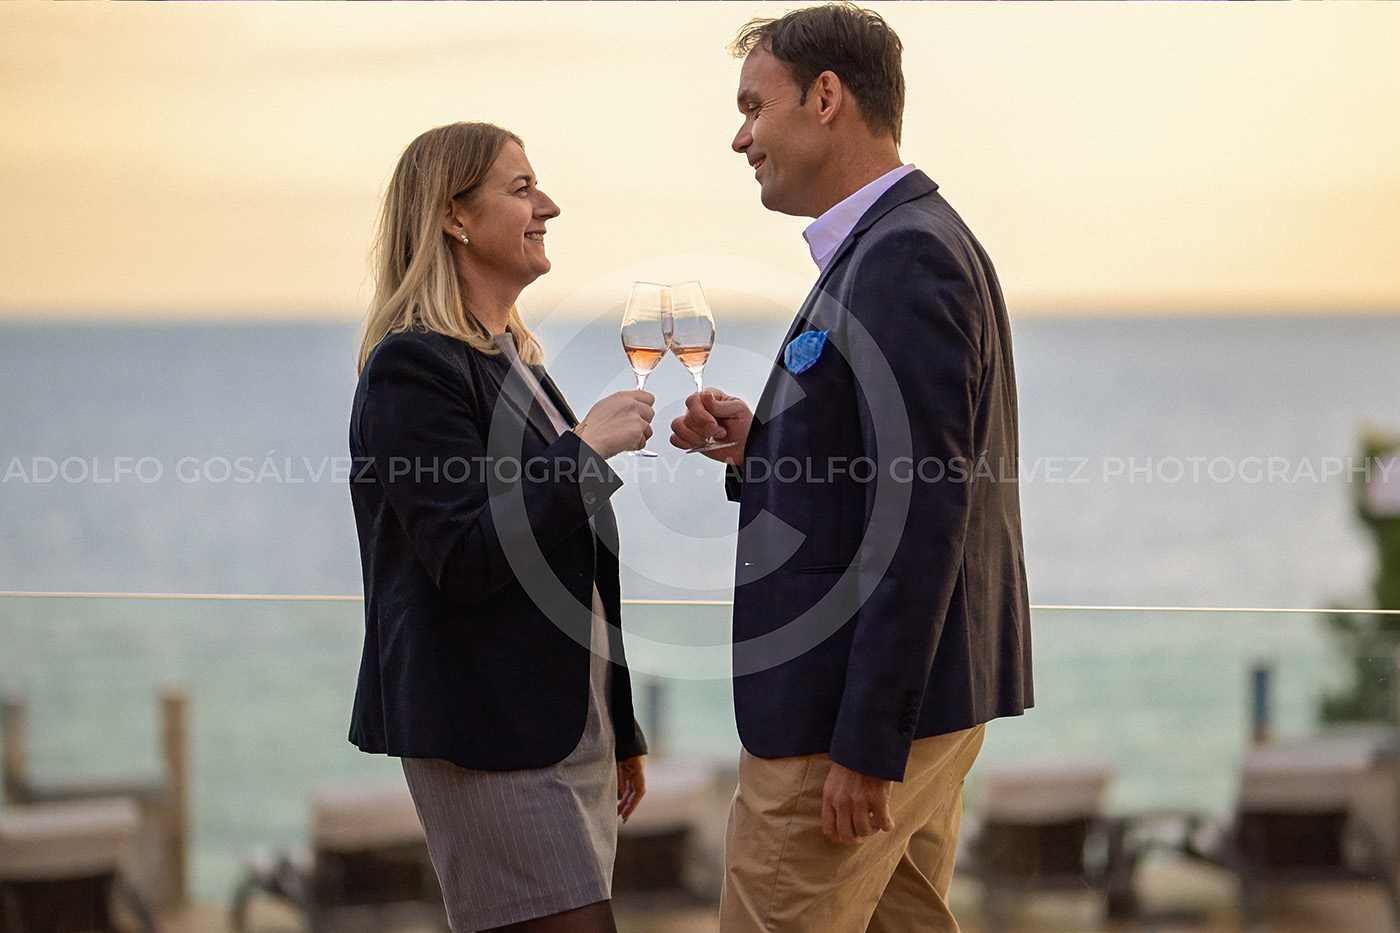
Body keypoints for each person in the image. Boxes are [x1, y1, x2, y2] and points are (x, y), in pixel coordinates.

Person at [670, 5, 1032, 931]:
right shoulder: (904, 241)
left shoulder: (904, 254)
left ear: (826, 97)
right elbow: (881, 472)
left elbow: (924, 511)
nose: (740, 137)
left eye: (754, 107)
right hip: (916, 709)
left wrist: (869, 740)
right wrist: (765, 444)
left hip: (841, 725)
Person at [348, 121, 654, 933]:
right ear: (454, 216)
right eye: (521, 189)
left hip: (567, 730)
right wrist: (584, 449)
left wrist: (618, 721)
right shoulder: (413, 366)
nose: (547, 205)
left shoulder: (514, 361)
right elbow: (462, 557)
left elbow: (575, 562)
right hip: (491, 738)